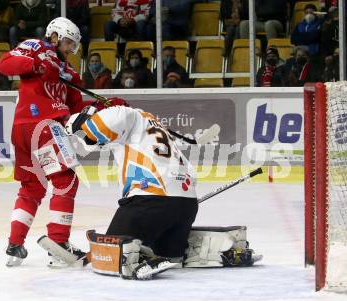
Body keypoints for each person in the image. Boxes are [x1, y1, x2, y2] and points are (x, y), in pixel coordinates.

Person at [64, 105, 260, 280]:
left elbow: (93, 132)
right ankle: (216, 250)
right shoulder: (153, 127)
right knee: (170, 254)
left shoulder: (123, 113)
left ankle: (139, 260)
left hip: (149, 201)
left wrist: (82, 128)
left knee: (110, 253)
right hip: (185, 206)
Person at [0, 17, 88, 267]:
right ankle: (58, 243)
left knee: (32, 188)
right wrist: (35, 65)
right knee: (65, 180)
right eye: (68, 42)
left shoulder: (67, 71)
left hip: (26, 129)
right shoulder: (36, 47)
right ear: (55, 36)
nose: (70, 49)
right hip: (43, 125)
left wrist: (103, 106)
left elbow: (76, 108)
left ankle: (15, 245)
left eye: (74, 46)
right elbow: (5, 65)